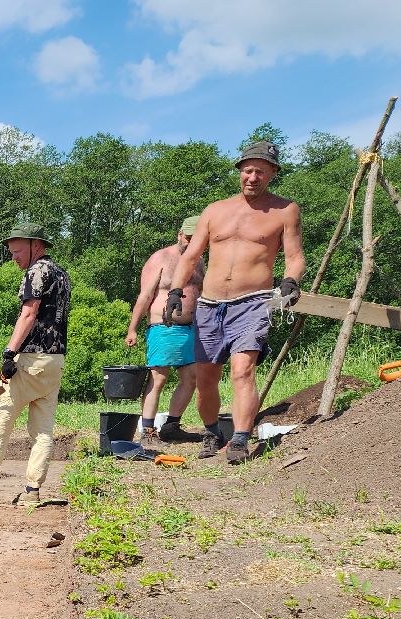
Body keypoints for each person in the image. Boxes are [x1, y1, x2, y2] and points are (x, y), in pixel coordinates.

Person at [165, 140, 305, 465]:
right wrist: (175, 291)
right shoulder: (215, 211)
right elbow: (190, 257)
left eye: (260, 171)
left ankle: (240, 439)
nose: (252, 177)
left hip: (253, 302)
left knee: (243, 369)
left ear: (272, 173)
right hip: (209, 304)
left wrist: (290, 281)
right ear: (239, 172)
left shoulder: (285, 210)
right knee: (205, 378)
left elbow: (296, 258)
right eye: (247, 170)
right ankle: (213, 431)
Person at [0, 223, 71, 506]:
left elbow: (28, 314)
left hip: (30, 358)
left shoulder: (36, 272)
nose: (13, 257)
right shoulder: (62, 274)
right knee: (43, 430)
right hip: (54, 360)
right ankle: (32, 491)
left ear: (36, 245)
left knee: (1, 419)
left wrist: (9, 353)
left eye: (17, 251)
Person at [125, 216, 204, 444]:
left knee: (191, 378)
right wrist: (133, 329)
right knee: (158, 378)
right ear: (180, 234)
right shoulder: (161, 258)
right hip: (163, 327)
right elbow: (145, 296)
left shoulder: (199, 262)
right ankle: (147, 431)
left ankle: (171, 426)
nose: (190, 243)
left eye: (196, 239)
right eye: (188, 238)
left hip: (189, 329)